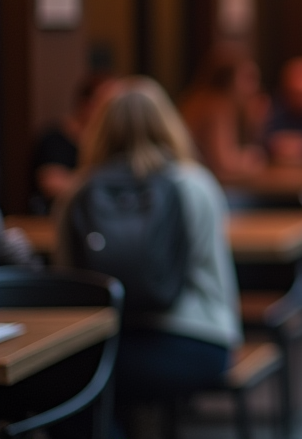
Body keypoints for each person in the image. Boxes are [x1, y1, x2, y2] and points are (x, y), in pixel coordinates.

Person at [55, 77, 241, 431]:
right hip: (200, 342)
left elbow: (71, 278)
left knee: (73, 391)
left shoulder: (78, 192)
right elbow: (213, 268)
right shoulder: (195, 185)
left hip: (113, 339)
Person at [179, 45, 268, 184]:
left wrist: (254, 122)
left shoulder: (200, 100)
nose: (255, 86)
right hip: (207, 186)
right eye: (248, 79)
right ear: (229, 79)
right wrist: (251, 159)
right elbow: (224, 163)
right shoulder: (216, 106)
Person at [30, 72, 113, 213]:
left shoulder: (110, 142)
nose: (113, 112)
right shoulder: (54, 138)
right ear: (87, 104)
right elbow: (52, 184)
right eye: (108, 104)